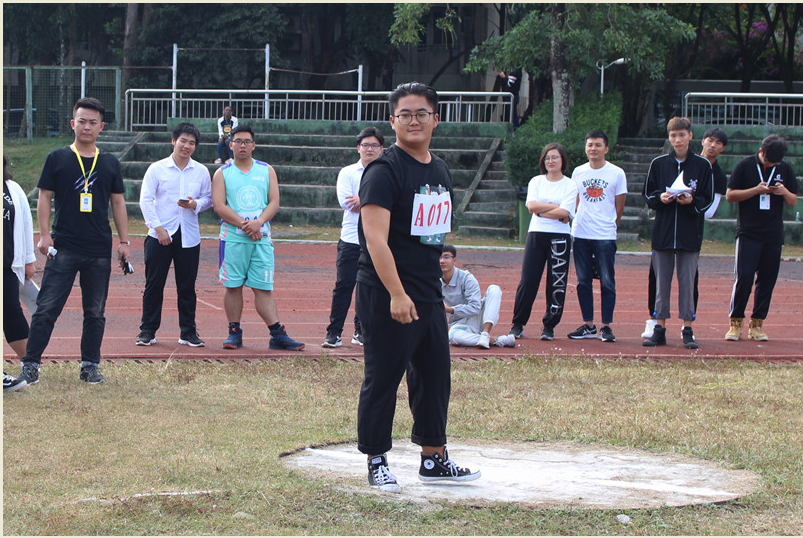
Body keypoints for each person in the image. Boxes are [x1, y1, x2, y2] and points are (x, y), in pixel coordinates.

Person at [355, 82, 480, 492]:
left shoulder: (439, 169)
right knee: (384, 376)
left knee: (434, 376)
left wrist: (431, 290)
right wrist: (396, 293)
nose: (413, 121)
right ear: (392, 121)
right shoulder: (383, 171)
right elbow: (375, 239)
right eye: (405, 114)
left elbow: (433, 236)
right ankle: (376, 460)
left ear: (435, 120)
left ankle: (434, 457)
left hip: (428, 293)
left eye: (421, 114)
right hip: (387, 291)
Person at [15, 97, 130, 386]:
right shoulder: (57, 158)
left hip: (98, 248)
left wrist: (124, 241)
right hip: (63, 245)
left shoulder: (109, 162)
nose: (86, 126)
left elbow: (118, 203)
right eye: (82, 121)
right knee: (47, 308)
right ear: (72, 124)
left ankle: (89, 366)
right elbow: (44, 197)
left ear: (101, 127)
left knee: (95, 311)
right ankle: (30, 366)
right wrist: (44, 234)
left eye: (93, 122)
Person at [212, 125, 305, 352]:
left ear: (253, 145)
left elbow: (274, 202)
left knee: (263, 287)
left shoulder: (266, 170)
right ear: (230, 145)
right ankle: (234, 332)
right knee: (233, 286)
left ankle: (277, 334)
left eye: (247, 141)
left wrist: (259, 222)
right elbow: (219, 206)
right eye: (238, 141)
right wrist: (245, 225)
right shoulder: (222, 173)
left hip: (261, 239)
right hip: (233, 239)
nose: (242, 145)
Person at [642, 128, 729, 339]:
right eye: (673, 135)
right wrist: (660, 198)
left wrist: (692, 202)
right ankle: (659, 326)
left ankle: (687, 327)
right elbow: (648, 194)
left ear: (690, 136)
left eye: (681, 135)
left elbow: (707, 199)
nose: (677, 140)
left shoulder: (703, 166)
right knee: (661, 282)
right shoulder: (659, 163)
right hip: (663, 232)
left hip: (690, 233)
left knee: (688, 282)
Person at [136, 123, 212, 347]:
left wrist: (195, 204)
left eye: (192, 143)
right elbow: (145, 200)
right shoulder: (157, 169)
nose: (186, 146)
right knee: (154, 284)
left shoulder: (201, 171)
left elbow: (208, 198)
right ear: (173, 141)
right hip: (159, 234)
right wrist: (158, 228)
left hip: (188, 235)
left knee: (187, 286)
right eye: (183, 141)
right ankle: (147, 331)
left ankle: (188, 332)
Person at [724, 134, 798, 341]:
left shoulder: (785, 169)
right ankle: (735, 322)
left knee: (767, 281)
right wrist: (756, 190)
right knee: (744, 278)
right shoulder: (744, 166)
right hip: (748, 232)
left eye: (775, 163)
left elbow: (793, 200)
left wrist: (783, 192)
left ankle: (757, 324)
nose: (771, 165)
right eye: (768, 161)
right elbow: (730, 195)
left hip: (773, 234)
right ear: (761, 151)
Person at [322, 126, 384, 348]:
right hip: (350, 240)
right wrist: (374, 200)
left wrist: (362, 200)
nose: (369, 149)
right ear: (358, 148)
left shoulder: (387, 173)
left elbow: (393, 203)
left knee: (371, 288)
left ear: (381, 148)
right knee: (344, 286)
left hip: (378, 240)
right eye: (365, 145)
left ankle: (361, 330)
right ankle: (334, 333)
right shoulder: (347, 172)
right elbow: (347, 203)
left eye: (374, 145)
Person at [508, 143, 578, 341]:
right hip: (536, 235)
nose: (551, 161)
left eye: (555, 157)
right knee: (528, 281)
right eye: (547, 158)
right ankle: (518, 324)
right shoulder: (536, 181)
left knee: (556, 283)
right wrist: (553, 208)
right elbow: (531, 206)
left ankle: (549, 326)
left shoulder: (570, 185)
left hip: (560, 238)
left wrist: (543, 210)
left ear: (562, 160)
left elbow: (565, 212)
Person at [567, 130, 628, 343]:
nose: (593, 148)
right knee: (583, 281)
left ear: (606, 149)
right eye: (590, 144)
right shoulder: (578, 172)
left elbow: (619, 205)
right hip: (581, 234)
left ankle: (606, 326)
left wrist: (611, 225)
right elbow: (575, 201)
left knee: (607, 281)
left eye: (598, 145)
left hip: (604, 235)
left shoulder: (616, 173)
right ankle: (589, 325)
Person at [440, 244, 515, 349]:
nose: (442, 261)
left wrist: (451, 309)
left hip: (480, 316)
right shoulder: (435, 282)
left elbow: (475, 307)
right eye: (439, 257)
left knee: (494, 289)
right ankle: (496, 340)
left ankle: (485, 333)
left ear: (454, 260)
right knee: (453, 336)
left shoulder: (466, 278)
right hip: (459, 323)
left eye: (446, 257)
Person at [3, 155, 36, 392]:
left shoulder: (12, 189)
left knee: (12, 312)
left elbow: (25, 224)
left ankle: (30, 363)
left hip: (7, 264)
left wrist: (28, 260)